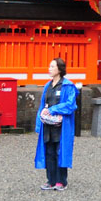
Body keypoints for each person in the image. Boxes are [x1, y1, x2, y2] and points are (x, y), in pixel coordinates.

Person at [34, 58, 78, 191]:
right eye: (49, 66)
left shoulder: (68, 86)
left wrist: (53, 110)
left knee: (60, 151)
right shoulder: (48, 86)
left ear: (59, 69)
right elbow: (42, 105)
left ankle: (61, 181)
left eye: (52, 66)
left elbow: (70, 105)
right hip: (48, 125)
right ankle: (50, 180)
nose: (49, 69)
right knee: (49, 152)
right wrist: (38, 123)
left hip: (61, 126)